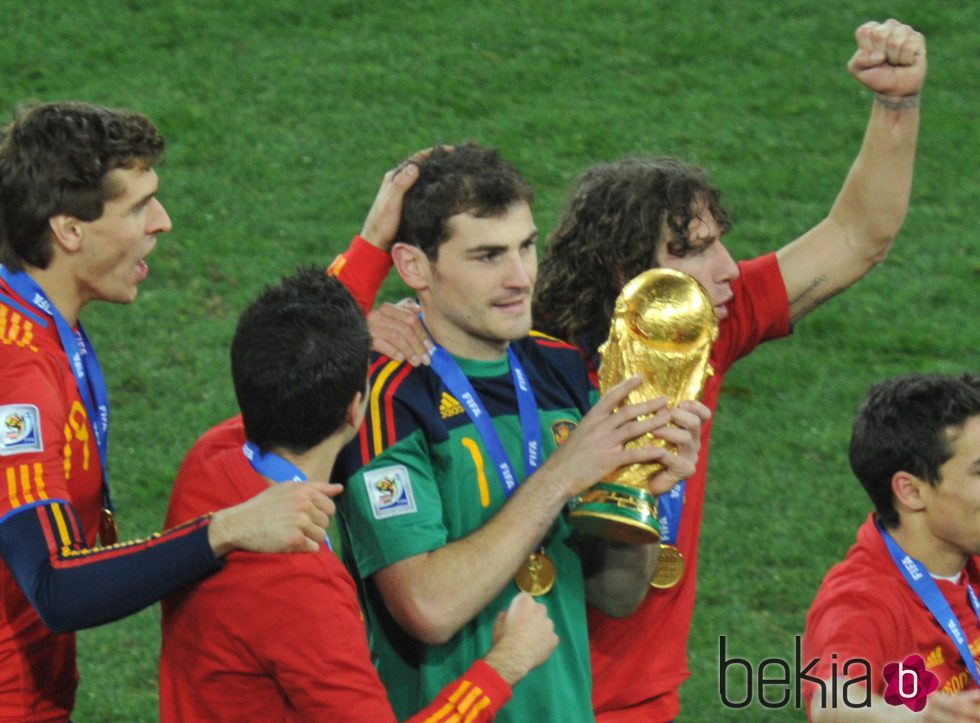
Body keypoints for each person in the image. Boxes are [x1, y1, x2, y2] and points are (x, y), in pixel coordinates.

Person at [342, 18, 928, 720]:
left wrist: (898, 103)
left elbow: (859, 236)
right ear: (627, 271)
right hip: (506, 690)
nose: (726, 270)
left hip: (630, 698)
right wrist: (358, 323)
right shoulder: (526, 364)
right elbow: (288, 383)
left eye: (524, 248)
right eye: (693, 248)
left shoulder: (695, 332)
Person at [331, 143, 709, 722]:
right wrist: (563, 474)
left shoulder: (560, 370)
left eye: (526, 247)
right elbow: (427, 606)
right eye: (487, 256)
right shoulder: (387, 398)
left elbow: (616, 594)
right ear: (414, 267)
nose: (519, 278)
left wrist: (636, 495)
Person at [0, 101, 336, 720]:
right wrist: (228, 528)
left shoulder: (36, 316)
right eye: (138, 206)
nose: (165, 221)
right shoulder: (19, 374)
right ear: (69, 230)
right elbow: (55, 585)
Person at [159, 268, 560, 721]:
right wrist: (503, 666)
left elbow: (289, 385)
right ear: (356, 410)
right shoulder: (305, 587)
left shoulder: (209, 462)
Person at [802, 373, 980, 720]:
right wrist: (918, 717)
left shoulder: (968, 549)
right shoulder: (861, 598)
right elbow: (831, 702)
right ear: (912, 491)